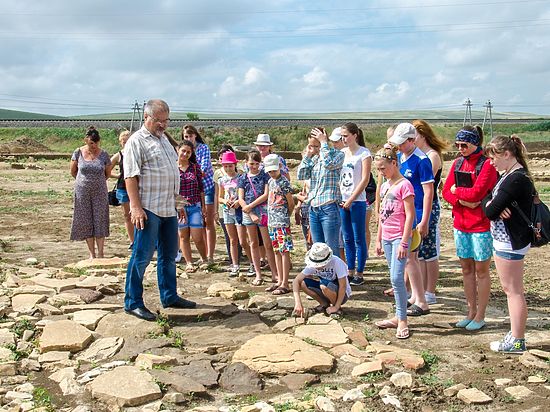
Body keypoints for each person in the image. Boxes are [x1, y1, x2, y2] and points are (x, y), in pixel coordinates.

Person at [123, 99, 196, 321]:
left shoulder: (164, 140)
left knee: (168, 255)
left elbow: (171, 174)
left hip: (168, 207)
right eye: (159, 121)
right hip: (148, 208)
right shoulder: (136, 141)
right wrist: (135, 207)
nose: (163, 125)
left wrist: (178, 202)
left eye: (166, 120)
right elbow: (131, 176)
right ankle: (133, 301)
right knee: (142, 255)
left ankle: (169, 295)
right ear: (147, 117)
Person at [442, 125, 497, 331]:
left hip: (481, 226)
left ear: (475, 143)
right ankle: (470, 312)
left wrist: (459, 192)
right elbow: (446, 191)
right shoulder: (457, 163)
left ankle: (481, 315)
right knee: (466, 269)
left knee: (481, 271)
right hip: (460, 224)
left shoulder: (487, 165)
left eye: (464, 144)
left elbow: (477, 193)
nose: (460, 148)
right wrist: (462, 201)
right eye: (457, 145)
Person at [482, 135, 534, 353]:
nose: (491, 162)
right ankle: (515, 335)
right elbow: (487, 199)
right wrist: (492, 204)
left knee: (513, 291)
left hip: (510, 242)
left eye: (494, 157)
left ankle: (517, 339)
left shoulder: (514, 179)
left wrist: (492, 206)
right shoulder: (510, 175)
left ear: (507, 154)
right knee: (512, 289)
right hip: (507, 240)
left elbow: (490, 211)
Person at [389, 123, 434, 316]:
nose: (398, 147)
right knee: (409, 260)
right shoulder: (400, 156)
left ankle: (421, 300)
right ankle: (415, 296)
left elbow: (428, 192)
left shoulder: (422, 160)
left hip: (414, 215)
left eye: (402, 143)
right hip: (401, 214)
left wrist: (424, 220)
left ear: (412, 140)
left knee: (410, 258)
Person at [374, 145, 415, 339]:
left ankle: (403, 319)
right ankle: (398, 316)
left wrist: (405, 242)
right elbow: (383, 214)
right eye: (378, 169)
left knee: (397, 278)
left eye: (383, 168)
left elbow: (409, 215)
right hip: (387, 237)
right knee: (393, 276)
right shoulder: (384, 186)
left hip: (399, 236)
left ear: (394, 163)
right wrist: (379, 238)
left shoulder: (404, 185)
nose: (381, 172)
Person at [413, 119, 448, 304]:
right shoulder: (417, 154)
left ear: (423, 136)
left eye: (414, 136)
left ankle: (430, 291)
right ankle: (421, 289)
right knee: (418, 251)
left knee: (429, 251)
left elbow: (425, 184)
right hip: (415, 205)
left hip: (429, 205)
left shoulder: (432, 156)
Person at [297, 127, 345, 256]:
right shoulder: (314, 159)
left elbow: (329, 164)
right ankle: (322, 274)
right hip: (314, 207)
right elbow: (301, 175)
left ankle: (334, 275)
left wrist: (323, 144)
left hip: (329, 207)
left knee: (331, 247)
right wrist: (307, 155)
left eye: (316, 145)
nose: (315, 149)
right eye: (311, 146)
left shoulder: (338, 154)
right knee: (318, 248)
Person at [70, 126, 112, 259]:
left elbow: (107, 173)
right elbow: (73, 171)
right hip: (82, 191)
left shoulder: (104, 154)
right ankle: (91, 254)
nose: (93, 147)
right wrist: (83, 182)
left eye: (95, 144)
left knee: (100, 219)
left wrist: (96, 182)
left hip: (100, 192)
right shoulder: (78, 152)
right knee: (86, 219)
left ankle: (100, 253)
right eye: (91, 144)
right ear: (86, 141)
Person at [238, 150, 278, 286]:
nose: (253, 166)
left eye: (256, 164)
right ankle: (258, 274)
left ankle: (274, 273)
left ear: (260, 163)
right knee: (253, 243)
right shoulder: (243, 178)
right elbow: (240, 199)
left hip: (262, 212)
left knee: (268, 244)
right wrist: (250, 211)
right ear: (246, 163)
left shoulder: (264, 176)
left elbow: (266, 194)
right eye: (251, 163)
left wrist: (251, 207)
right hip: (249, 213)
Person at [339, 123, 372, 286]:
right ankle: (349, 270)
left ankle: (360, 271)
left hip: (357, 201)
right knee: (347, 238)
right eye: (342, 136)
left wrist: (351, 199)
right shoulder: (342, 153)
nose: (343, 139)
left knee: (359, 237)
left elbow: (365, 179)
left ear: (354, 135)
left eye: (345, 135)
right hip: (342, 200)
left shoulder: (364, 153)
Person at [182, 125, 216, 265]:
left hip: (205, 187)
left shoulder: (203, 148)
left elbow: (202, 169)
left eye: (190, 135)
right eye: (186, 136)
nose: (189, 138)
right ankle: (203, 255)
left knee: (208, 222)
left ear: (195, 135)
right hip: (191, 191)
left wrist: (190, 169)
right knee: (199, 224)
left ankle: (210, 255)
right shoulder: (185, 151)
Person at [292, 242, 351, 319]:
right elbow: (296, 281)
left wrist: (336, 306)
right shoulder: (312, 265)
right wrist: (298, 303)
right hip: (326, 289)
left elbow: (343, 286)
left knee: (324, 285)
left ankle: (336, 308)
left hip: (341, 293)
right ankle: (324, 304)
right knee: (303, 283)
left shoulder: (337, 262)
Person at [218, 150, 252, 277]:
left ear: (235, 165)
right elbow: (219, 197)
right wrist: (225, 201)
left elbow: (245, 195)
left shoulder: (241, 178)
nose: (227, 168)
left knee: (243, 241)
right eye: (225, 166)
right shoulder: (222, 180)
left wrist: (238, 201)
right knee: (232, 240)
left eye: (230, 165)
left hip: (239, 212)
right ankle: (235, 265)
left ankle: (252, 263)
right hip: (227, 211)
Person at [265, 154, 295, 295]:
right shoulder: (271, 182)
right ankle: (279, 280)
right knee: (277, 250)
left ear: (280, 167)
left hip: (281, 221)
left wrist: (286, 217)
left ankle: (285, 282)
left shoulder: (284, 182)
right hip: (272, 222)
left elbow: (291, 203)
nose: (272, 173)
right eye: (270, 171)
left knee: (284, 251)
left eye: (274, 170)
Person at [176, 140, 208, 273]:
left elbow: (201, 188)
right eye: (183, 151)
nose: (185, 154)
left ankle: (204, 258)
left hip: (195, 205)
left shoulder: (195, 167)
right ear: (178, 150)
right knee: (183, 236)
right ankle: (189, 262)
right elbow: (171, 189)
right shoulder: (172, 168)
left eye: (188, 152)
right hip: (179, 207)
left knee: (197, 236)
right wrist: (178, 205)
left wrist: (204, 206)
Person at [110, 130, 134, 250]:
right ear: (120, 142)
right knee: (127, 215)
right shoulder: (119, 155)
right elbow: (107, 170)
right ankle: (132, 241)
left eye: (128, 141)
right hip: (123, 188)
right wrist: (118, 176)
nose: (125, 143)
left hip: (137, 188)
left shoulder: (137, 153)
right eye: (123, 141)